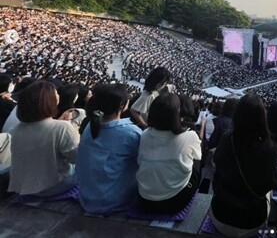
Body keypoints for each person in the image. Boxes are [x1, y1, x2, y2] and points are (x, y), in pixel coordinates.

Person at [211, 94, 277, 237]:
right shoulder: (269, 148)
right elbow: (272, 182)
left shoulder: (226, 138)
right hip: (252, 221)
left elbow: (217, 162)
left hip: (220, 215)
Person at [76, 84, 142, 214]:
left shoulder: (91, 125)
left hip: (86, 196)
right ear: (122, 106)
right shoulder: (130, 133)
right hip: (114, 200)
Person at [9, 81, 79, 196]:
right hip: (52, 186)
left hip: (23, 187)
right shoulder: (62, 127)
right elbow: (77, 158)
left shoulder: (16, 129)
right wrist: (74, 131)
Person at [137, 93, 202, 213]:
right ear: (177, 114)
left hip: (144, 199)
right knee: (196, 161)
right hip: (174, 202)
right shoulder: (190, 135)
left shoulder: (145, 134)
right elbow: (198, 159)